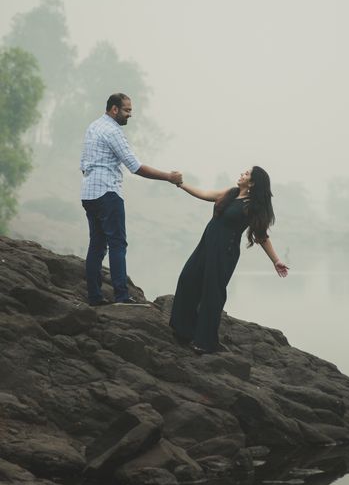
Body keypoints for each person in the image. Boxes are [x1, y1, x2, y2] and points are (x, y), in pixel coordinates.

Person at [169, 166, 289, 354]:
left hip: (224, 252)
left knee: (212, 293)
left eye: (247, 173)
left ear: (253, 182)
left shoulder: (252, 206)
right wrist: (181, 184)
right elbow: (204, 193)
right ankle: (184, 331)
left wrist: (276, 260)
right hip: (206, 247)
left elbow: (262, 236)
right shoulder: (231, 194)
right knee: (188, 279)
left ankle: (204, 342)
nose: (242, 173)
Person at [80, 93, 182, 306]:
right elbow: (135, 167)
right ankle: (121, 296)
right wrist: (169, 177)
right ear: (114, 109)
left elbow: (83, 164)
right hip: (108, 193)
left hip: (89, 193)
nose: (130, 115)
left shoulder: (93, 127)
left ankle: (94, 297)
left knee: (97, 245)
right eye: (126, 110)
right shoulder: (113, 131)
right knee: (117, 244)